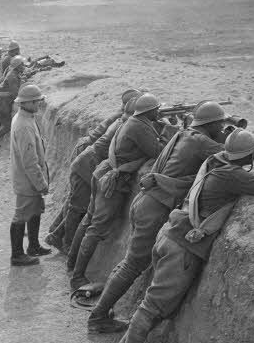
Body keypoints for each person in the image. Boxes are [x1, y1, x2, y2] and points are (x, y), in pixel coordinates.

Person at [106, 129, 254, 343]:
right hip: (182, 249)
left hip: (169, 236)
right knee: (153, 307)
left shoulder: (216, 161)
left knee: (153, 302)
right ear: (250, 154)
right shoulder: (231, 175)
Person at [86, 101, 234, 334]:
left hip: (146, 201)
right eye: (221, 123)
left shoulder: (185, 134)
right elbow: (235, 154)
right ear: (213, 124)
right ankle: (98, 316)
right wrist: (234, 135)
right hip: (155, 207)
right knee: (132, 265)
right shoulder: (201, 142)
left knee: (129, 262)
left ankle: (101, 310)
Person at [70, 93, 166, 290]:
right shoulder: (139, 126)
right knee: (96, 228)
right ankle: (77, 276)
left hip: (103, 172)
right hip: (113, 181)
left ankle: (72, 264)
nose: (159, 111)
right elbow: (157, 151)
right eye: (157, 109)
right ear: (150, 111)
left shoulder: (133, 121)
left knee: (89, 220)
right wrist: (167, 132)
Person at [42, 89, 141, 252]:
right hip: (87, 158)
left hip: (88, 155)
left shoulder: (122, 117)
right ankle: (65, 243)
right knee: (77, 206)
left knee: (75, 202)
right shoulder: (123, 120)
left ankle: (55, 232)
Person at [9, 84, 52, 266]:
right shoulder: (24, 126)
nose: (40, 104)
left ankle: (33, 246)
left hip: (29, 180)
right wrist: (41, 184)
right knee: (21, 216)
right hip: (28, 181)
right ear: (28, 102)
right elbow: (29, 162)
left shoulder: (26, 118)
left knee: (35, 211)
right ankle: (17, 255)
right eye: (37, 101)